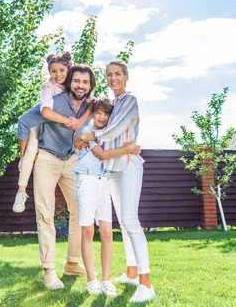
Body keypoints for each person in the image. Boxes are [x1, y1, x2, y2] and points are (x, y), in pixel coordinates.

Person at [75, 60, 156, 303]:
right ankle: (132, 272)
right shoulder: (113, 103)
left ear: (126, 76)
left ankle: (146, 283)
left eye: (117, 74)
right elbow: (100, 126)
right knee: (123, 220)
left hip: (129, 165)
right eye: (109, 75)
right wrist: (83, 137)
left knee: (131, 220)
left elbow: (115, 129)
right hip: (112, 167)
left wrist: (90, 135)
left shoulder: (129, 100)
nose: (113, 79)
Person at [17, 64, 95, 289]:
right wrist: (23, 156)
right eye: (77, 81)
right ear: (70, 82)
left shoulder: (89, 104)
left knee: (80, 210)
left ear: (90, 86)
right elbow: (24, 121)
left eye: (85, 82)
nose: (80, 85)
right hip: (46, 159)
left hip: (71, 159)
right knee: (45, 213)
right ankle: (49, 270)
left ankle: (72, 262)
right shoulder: (55, 102)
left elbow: (103, 111)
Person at [74, 97, 142, 296]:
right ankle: (91, 279)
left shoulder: (107, 134)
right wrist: (129, 149)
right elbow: (101, 156)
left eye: (106, 114)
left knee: (107, 232)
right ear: (93, 113)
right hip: (86, 182)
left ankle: (105, 280)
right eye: (98, 113)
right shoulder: (88, 132)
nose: (102, 117)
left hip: (104, 182)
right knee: (87, 232)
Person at [14, 52, 89, 213]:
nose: (58, 75)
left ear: (68, 70)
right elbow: (45, 113)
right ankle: (21, 192)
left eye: (62, 70)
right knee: (30, 150)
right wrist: (69, 121)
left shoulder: (74, 87)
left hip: (66, 149)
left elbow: (92, 103)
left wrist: (80, 121)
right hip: (38, 125)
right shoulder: (48, 88)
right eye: (53, 71)